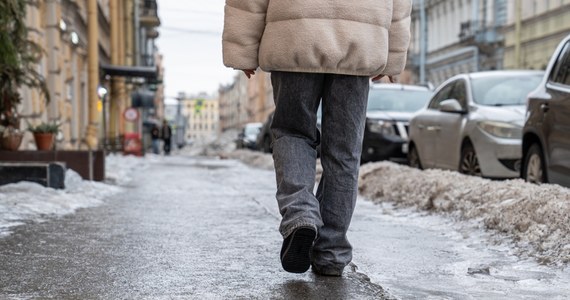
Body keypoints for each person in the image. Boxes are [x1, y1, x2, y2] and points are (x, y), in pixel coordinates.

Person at [223, 0, 412, 276]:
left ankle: (300, 214)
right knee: (344, 150)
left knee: (293, 132)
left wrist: (242, 48)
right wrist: (393, 54)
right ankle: (331, 251)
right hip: (361, 36)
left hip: (294, 32)